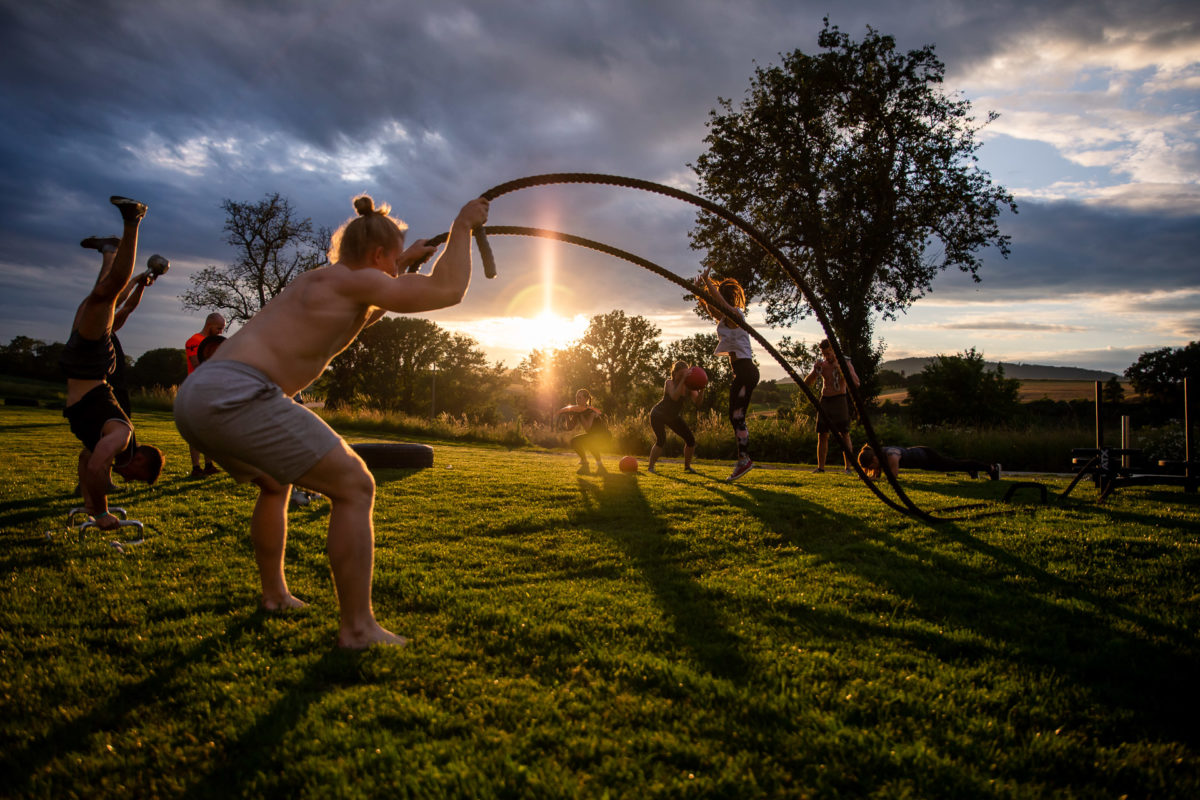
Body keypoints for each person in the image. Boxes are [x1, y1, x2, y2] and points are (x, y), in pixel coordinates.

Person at [174, 193, 488, 649]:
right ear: (379, 255)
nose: (396, 269)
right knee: (355, 485)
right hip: (239, 394)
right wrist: (462, 227)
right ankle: (358, 629)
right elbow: (448, 292)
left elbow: (371, 311)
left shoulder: (324, 281)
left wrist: (407, 265)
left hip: (198, 395)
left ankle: (274, 596)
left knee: (274, 484)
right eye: (393, 259)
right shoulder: (349, 282)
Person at [60, 197, 165, 530]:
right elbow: (97, 467)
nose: (129, 480)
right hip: (90, 366)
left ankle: (109, 251)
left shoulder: (109, 438)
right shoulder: (121, 434)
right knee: (106, 295)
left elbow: (89, 461)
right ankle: (133, 220)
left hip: (83, 363)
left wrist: (92, 506)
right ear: (141, 461)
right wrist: (103, 513)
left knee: (101, 297)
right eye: (136, 477)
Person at [72, 254, 163, 497]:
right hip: (106, 388)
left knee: (102, 441)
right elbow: (113, 300)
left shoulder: (107, 333)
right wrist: (134, 280)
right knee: (108, 439)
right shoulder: (97, 333)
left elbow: (128, 308)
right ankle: (111, 254)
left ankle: (93, 482)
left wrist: (141, 286)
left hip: (111, 388)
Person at [696, 270, 759, 482]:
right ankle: (743, 458)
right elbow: (711, 307)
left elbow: (719, 304)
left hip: (746, 372)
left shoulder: (736, 315)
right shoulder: (725, 318)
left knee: (737, 416)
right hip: (741, 373)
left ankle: (744, 459)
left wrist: (707, 282)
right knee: (734, 416)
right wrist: (701, 291)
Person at [804, 338, 860, 474]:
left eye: (828, 353)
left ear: (834, 350)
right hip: (825, 400)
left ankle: (848, 468)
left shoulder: (845, 363)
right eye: (824, 354)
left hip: (840, 399)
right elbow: (806, 384)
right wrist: (814, 372)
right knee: (822, 434)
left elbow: (856, 383)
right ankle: (821, 467)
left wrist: (841, 370)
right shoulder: (823, 365)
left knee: (844, 434)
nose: (826, 357)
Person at [184, 313, 226, 478]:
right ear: (210, 326)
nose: (221, 332)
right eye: (219, 328)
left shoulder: (216, 343)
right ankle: (196, 468)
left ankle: (209, 465)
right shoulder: (194, 341)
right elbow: (197, 363)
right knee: (196, 430)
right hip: (197, 389)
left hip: (213, 389)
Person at [647, 360, 702, 475]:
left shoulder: (689, 387)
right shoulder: (669, 383)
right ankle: (651, 467)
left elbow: (698, 403)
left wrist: (702, 388)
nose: (683, 377)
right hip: (658, 414)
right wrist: (683, 379)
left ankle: (687, 467)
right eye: (680, 374)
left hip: (672, 417)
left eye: (685, 374)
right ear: (674, 373)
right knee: (661, 440)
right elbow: (674, 397)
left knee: (691, 440)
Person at [858, 444, 1000, 482]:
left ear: (874, 459)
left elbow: (893, 477)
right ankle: (971, 470)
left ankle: (992, 468)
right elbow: (876, 475)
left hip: (926, 456)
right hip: (922, 460)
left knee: (953, 464)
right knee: (953, 465)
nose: (872, 469)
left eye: (870, 466)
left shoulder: (891, 455)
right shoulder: (880, 455)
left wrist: (874, 480)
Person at [557, 389, 610, 475]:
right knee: (574, 441)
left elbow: (588, 428)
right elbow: (570, 427)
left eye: (580, 398)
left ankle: (599, 462)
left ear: (586, 399)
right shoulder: (577, 411)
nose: (577, 400)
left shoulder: (591, 411)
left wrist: (580, 415)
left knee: (590, 440)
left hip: (604, 436)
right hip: (593, 436)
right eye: (576, 397)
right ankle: (584, 461)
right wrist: (567, 415)